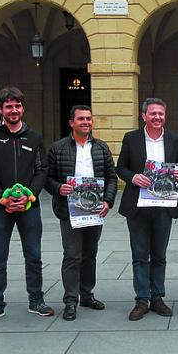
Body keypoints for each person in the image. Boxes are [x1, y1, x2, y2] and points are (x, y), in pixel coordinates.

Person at [0, 86, 53, 323]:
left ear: (22, 108)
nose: (14, 110)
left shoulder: (35, 137)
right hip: (0, 207)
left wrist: (29, 195)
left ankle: (36, 300)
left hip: (29, 207)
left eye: (17, 106)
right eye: (9, 106)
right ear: (0, 109)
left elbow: (42, 170)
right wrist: (3, 198)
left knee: (34, 255)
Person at [45, 105, 117, 321]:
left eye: (89, 118)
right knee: (72, 255)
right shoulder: (58, 148)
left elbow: (112, 177)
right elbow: (46, 178)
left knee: (90, 255)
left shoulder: (101, 148)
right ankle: (70, 301)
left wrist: (108, 201)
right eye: (81, 119)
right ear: (71, 122)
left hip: (95, 210)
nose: (86, 122)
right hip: (69, 211)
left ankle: (87, 295)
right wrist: (58, 188)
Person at [116, 97, 178, 321]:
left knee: (160, 255)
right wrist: (133, 177)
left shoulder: (174, 139)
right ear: (143, 116)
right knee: (139, 255)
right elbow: (121, 168)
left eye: (161, 114)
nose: (157, 117)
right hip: (138, 206)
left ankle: (157, 297)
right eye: (153, 114)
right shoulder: (131, 138)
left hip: (164, 206)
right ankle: (141, 300)